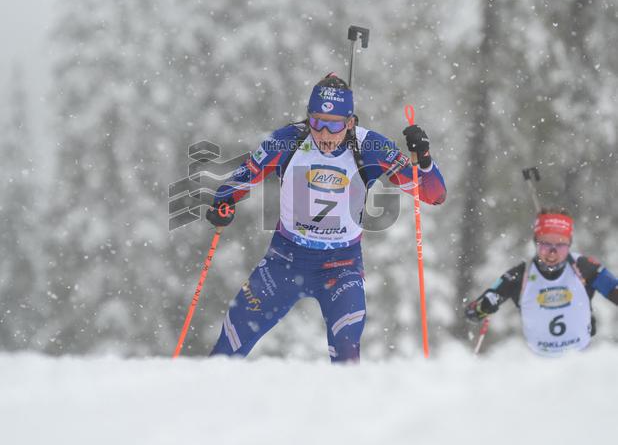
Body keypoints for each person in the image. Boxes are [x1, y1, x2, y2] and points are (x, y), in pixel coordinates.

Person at [205, 73, 447, 362]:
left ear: (350, 122)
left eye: (333, 126)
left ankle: (346, 407)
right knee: (228, 347)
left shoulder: (371, 147)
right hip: (285, 259)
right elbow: (246, 175)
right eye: (317, 123)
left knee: (346, 353)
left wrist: (425, 158)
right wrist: (224, 201)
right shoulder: (287, 140)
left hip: (341, 265)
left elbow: (433, 194)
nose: (324, 135)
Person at [465, 207, 618, 356]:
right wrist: (483, 307)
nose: (552, 252)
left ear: (569, 244)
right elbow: (472, 312)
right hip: (537, 367)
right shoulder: (520, 275)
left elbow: (614, 289)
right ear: (535, 243)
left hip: (579, 361)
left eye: (560, 244)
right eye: (545, 243)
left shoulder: (584, 267)